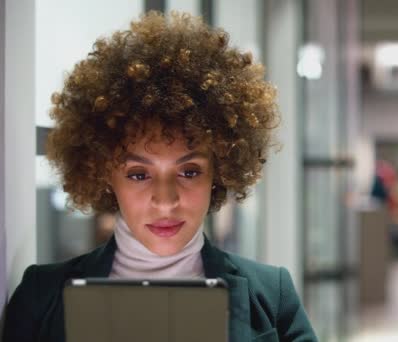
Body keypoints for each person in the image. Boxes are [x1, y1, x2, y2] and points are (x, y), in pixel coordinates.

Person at [3, 11, 317, 342]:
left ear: (219, 172)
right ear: (105, 173)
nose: (165, 200)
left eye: (189, 171)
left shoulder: (272, 295)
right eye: (138, 174)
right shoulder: (41, 296)